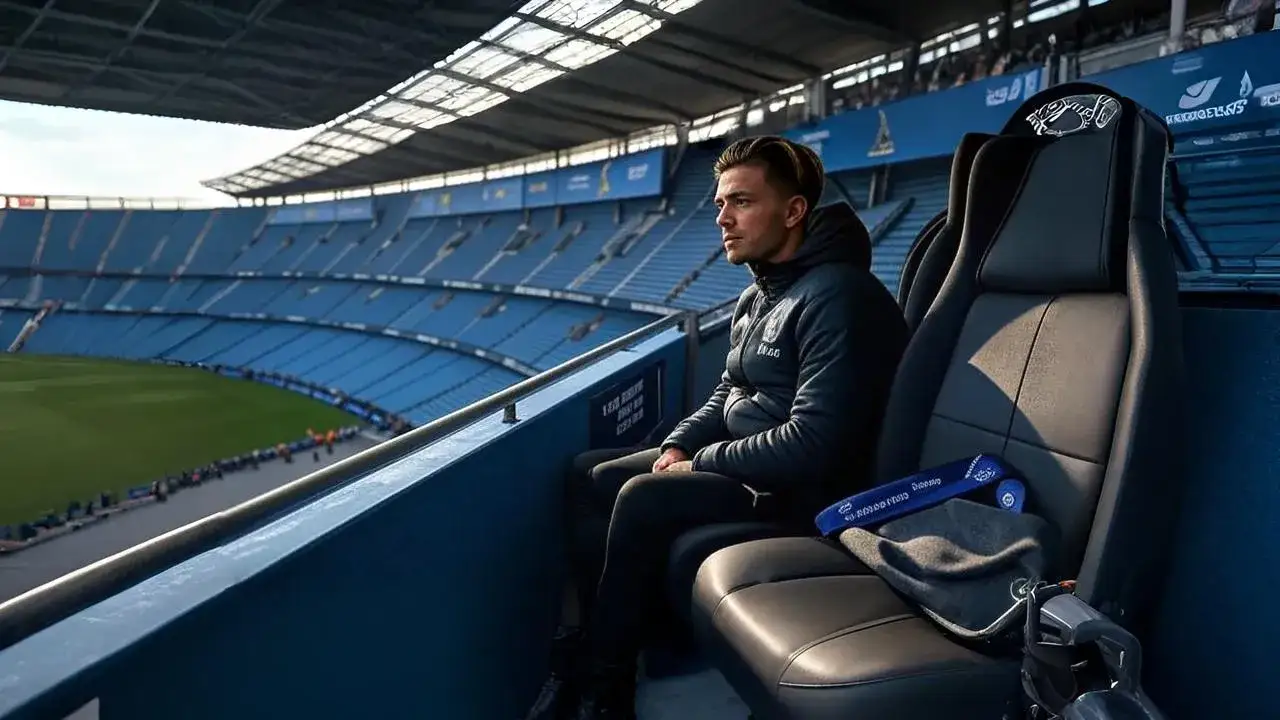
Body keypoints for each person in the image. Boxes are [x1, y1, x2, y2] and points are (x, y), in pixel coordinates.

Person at [524, 136, 910, 720]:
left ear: (794, 211)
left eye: (742, 202)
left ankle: (606, 692)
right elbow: (728, 390)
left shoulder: (840, 296)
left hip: (802, 491)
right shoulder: (761, 292)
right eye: (719, 203)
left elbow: (816, 444)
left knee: (642, 496)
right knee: (587, 474)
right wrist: (680, 441)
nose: (723, 219)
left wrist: (700, 462)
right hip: (747, 464)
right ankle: (581, 653)